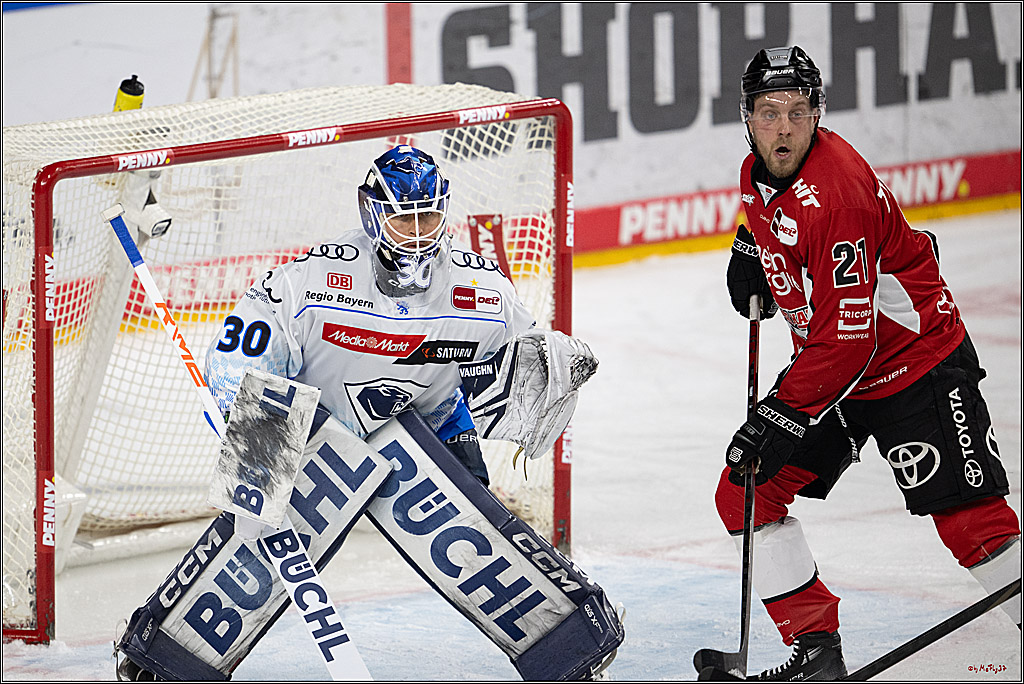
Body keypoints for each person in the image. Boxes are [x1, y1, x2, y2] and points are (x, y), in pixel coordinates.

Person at [114, 145, 622, 681]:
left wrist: (545, 368)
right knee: (255, 550)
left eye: (429, 217)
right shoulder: (311, 280)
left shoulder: (484, 290)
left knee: (477, 542)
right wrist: (257, 439)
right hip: (320, 432)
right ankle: (165, 659)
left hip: (430, 423)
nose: (419, 234)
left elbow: (510, 365)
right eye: (404, 219)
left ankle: (569, 644)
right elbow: (240, 353)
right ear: (372, 213)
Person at [718, 46, 1021, 680]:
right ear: (746, 117)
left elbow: (849, 341)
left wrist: (780, 415)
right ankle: (816, 652)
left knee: (973, 524)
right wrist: (752, 244)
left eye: (798, 112)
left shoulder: (839, 197)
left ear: (818, 115)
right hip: (837, 376)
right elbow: (778, 221)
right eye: (769, 112)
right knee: (746, 492)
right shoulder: (757, 173)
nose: (783, 127)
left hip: (916, 364)